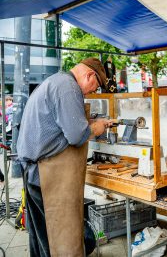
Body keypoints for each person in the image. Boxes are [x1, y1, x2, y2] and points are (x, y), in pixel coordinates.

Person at [16, 58, 114, 256]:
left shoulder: (55, 81)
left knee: (40, 235)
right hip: (47, 176)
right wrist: (97, 127)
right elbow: (77, 136)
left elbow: (61, 125)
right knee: (55, 239)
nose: (92, 92)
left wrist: (90, 121)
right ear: (89, 76)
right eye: (95, 87)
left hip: (35, 171)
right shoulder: (68, 88)